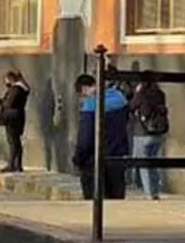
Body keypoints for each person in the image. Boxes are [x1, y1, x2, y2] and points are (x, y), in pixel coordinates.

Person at [73, 70, 131, 201]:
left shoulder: (90, 105)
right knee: (116, 199)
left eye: (82, 95)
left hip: (93, 159)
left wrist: (78, 158)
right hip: (117, 156)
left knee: (95, 201)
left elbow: (86, 138)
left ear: (84, 89)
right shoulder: (120, 98)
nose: (83, 98)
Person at [129, 70, 170, 200]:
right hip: (158, 132)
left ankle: (149, 192)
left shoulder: (142, 93)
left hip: (142, 132)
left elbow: (132, 105)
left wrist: (137, 91)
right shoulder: (160, 94)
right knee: (153, 162)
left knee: (143, 163)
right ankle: (155, 190)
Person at [0, 71, 31, 173]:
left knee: (12, 142)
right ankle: (18, 165)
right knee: (16, 142)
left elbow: (9, 103)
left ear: (11, 79)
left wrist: (2, 102)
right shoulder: (23, 89)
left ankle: (12, 164)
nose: (5, 82)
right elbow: (28, 90)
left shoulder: (15, 89)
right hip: (18, 117)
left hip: (12, 118)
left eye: (6, 80)